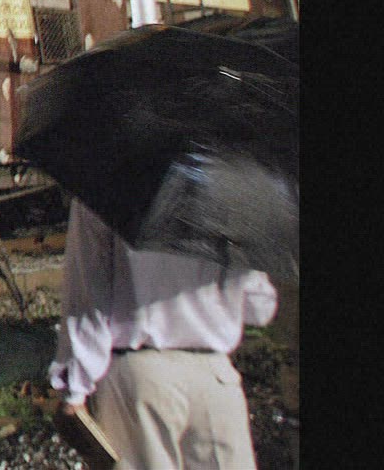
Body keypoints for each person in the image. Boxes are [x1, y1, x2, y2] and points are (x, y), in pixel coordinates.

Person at [49, 198, 278, 469]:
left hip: (140, 375)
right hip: (216, 378)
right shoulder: (237, 191)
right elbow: (258, 308)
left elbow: (89, 291)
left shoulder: (106, 184)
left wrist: (75, 388)